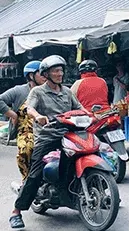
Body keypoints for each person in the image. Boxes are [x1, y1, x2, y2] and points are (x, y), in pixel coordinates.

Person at [9, 55, 85, 229]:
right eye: (56, 71)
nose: (60, 74)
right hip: (47, 137)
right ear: (46, 74)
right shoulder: (37, 92)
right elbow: (29, 108)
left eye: (61, 70)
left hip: (68, 134)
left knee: (87, 154)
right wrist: (38, 116)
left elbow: (79, 108)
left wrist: (92, 115)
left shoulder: (66, 91)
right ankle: (16, 211)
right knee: (35, 174)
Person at [0, 61, 45, 192]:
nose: (45, 76)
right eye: (41, 73)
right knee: (26, 149)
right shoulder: (19, 91)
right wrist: (13, 115)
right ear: (31, 76)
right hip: (27, 131)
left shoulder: (49, 90)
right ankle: (27, 180)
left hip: (47, 130)